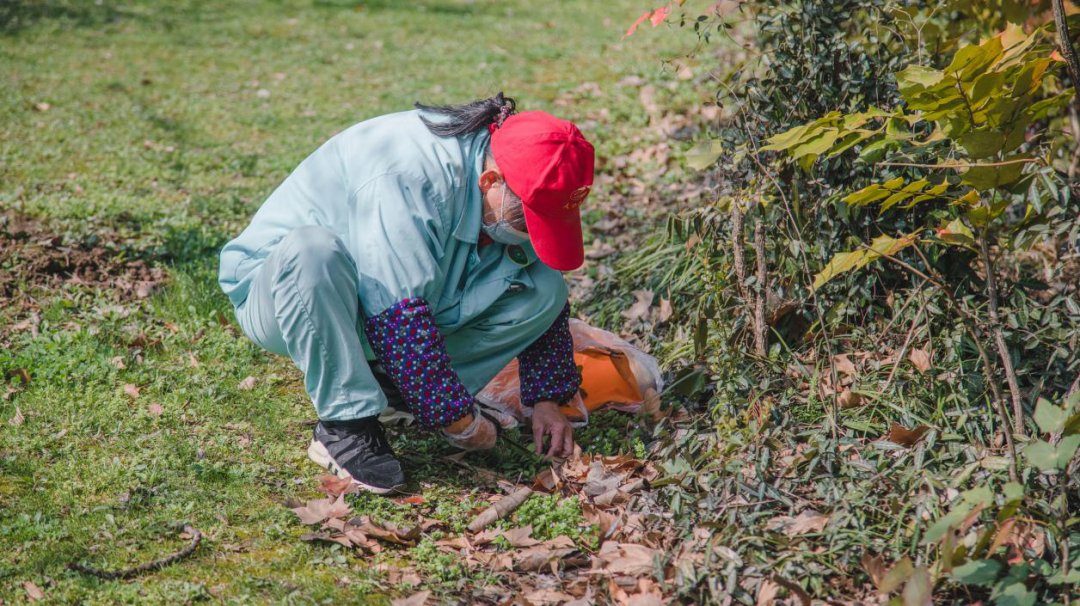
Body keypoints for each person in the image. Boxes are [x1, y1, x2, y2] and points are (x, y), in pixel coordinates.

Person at [218, 93, 594, 494]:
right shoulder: (405, 175)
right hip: (286, 293)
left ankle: (390, 386)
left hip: (389, 301)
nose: (530, 231)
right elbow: (397, 313)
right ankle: (345, 425)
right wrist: (458, 420)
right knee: (313, 253)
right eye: (528, 218)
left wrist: (547, 400)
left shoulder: (495, 171)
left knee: (544, 289)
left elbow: (544, 292)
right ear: (491, 182)